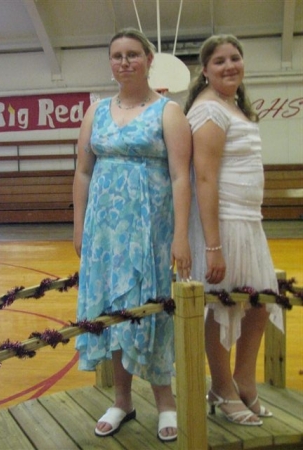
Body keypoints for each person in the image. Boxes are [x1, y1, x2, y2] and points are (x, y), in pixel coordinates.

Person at [73, 28, 192, 441]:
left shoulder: (168, 112)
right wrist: (79, 226)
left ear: (148, 58)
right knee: (112, 310)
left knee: (152, 308)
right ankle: (122, 399)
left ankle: (166, 401)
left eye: (132, 55)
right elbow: (83, 172)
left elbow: (180, 177)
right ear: (111, 63)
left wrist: (181, 235)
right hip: (104, 232)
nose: (124, 62)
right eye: (117, 56)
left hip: (150, 231)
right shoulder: (95, 112)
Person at [184, 34, 284, 426]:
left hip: (247, 219)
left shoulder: (233, 106)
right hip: (222, 221)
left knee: (259, 300)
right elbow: (204, 178)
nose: (229, 66)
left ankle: (244, 381)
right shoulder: (208, 110)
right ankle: (222, 387)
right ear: (205, 70)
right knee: (218, 303)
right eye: (220, 61)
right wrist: (213, 246)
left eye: (235, 58)